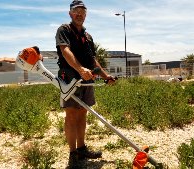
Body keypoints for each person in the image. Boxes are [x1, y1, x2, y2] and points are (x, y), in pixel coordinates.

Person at [55, 0, 115, 168]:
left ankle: (81, 148)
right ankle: (72, 154)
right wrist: (80, 69)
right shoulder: (64, 30)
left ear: (86, 14)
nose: (79, 14)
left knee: (83, 114)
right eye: (76, 11)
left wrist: (105, 76)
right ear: (70, 13)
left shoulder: (88, 37)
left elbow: (93, 60)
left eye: (82, 11)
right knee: (71, 115)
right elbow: (65, 51)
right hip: (69, 79)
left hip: (87, 79)